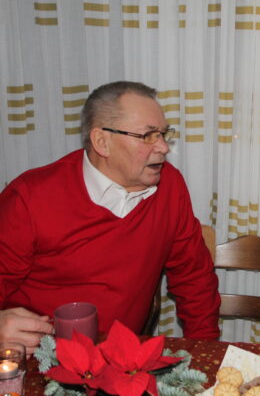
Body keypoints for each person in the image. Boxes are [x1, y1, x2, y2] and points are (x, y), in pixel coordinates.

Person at [0, 81, 221, 354]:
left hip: (122, 361)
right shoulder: (30, 197)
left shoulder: (169, 185)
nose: (164, 147)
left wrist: (205, 352)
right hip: (39, 359)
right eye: (148, 136)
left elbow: (194, 278)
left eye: (163, 134)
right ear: (102, 142)